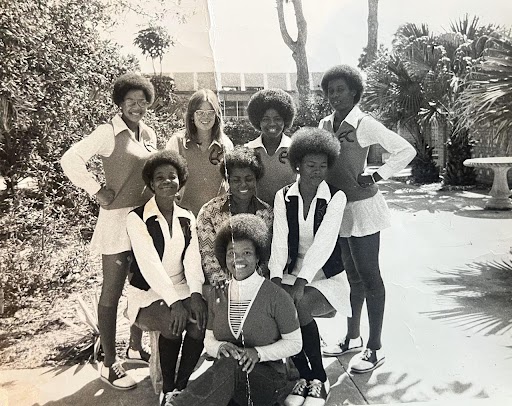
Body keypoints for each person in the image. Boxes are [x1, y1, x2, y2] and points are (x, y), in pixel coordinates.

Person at [61, 72, 157, 390]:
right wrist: (95, 188)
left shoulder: (148, 135)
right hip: (117, 221)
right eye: (130, 101)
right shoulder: (107, 132)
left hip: (144, 221)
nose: (136, 106)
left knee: (142, 287)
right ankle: (109, 364)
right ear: (120, 103)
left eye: (142, 102)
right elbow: (70, 159)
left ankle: (133, 347)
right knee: (112, 291)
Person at [318, 64, 416, 374]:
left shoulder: (364, 123)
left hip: (363, 209)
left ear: (354, 92)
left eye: (341, 90)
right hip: (340, 209)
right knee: (352, 278)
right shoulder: (325, 124)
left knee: (370, 277)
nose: (335, 96)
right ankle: (352, 338)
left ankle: (375, 347)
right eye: (331, 91)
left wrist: (378, 173)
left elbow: (405, 150)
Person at [170, 214, 302, 406]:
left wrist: (258, 353)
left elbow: (295, 343)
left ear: (258, 256)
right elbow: (209, 341)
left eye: (247, 253)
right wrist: (220, 347)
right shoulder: (217, 294)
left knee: (230, 366)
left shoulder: (276, 296)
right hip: (228, 384)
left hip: (266, 382)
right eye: (232, 252)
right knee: (227, 367)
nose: (238, 259)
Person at [269, 127, 351, 406]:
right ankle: (304, 377)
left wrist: (302, 282)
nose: (317, 171)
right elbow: (279, 241)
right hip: (292, 272)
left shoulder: (336, 198)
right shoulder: (283, 196)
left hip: (327, 276)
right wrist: (277, 279)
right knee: (276, 306)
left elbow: (324, 244)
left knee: (299, 305)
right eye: (310, 165)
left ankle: (319, 379)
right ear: (298, 165)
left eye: (323, 166)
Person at [125, 150, 207, 405]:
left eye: (172, 176)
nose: (166, 181)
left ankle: (180, 388)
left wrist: (194, 294)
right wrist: (174, 302)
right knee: (174, 322)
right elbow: (149, 265)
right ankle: (168, 388)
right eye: (159, 177)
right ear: (150, 183)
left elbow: (193, 259)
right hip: (148, 292)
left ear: (180, 181)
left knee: (199, 322)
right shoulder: (137, 218)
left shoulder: (187, 216)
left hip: (181, 286)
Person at [196, 146, 273, 287]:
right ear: (227, 181)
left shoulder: (267, 213)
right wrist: (221, 281)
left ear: (256, 179)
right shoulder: (209, 211)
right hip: (221, 284)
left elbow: (267, 255)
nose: (243, 184)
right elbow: (208, 254)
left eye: (249, 179)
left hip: (256, 282)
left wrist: (252, 282)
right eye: (236, 180)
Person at [166, 89, 234, 216]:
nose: (205, 117)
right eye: (200, 113)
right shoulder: (177, 142)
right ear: (192, 115)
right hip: (183, 216)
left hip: (215, 218)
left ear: (217, 115)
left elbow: (229, 184)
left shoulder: (226, 144)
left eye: (210, 113)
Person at [245, 88, 297, 206]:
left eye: (277, 119)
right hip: (258, 214)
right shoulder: (248, 150)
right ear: (258, 121)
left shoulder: (295, 149)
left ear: (286, 120)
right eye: (266, 119)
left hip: (288, 213)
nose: (272, 124)